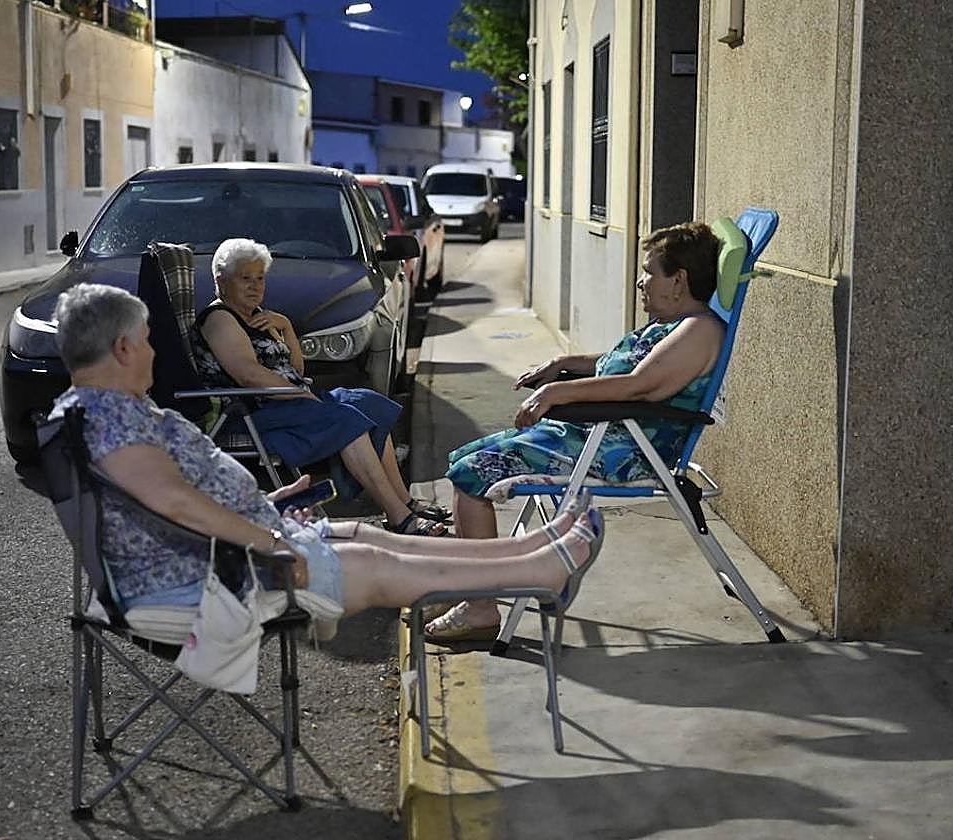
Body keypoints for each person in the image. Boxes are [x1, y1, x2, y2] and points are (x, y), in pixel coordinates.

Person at [47, 282, 604, 624]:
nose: (151, 354)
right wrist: (265, 537)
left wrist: (266, 501)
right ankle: (536, 571)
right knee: (376, 563)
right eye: (146, 342)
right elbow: (177, 504)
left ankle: (531, 553)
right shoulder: (107, 420)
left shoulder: (107, 411)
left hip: (223, 553)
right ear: (122, 347)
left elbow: (169, 499)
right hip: (203, 582)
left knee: (371, 537)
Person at [426, 221, 724, 641]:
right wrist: (562, 363)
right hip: (594, 434)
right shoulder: (670, 325)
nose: (641, 282)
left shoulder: (699, 330)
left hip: (621, 450)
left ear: (679, 280)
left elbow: (640, 384)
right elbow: (618, 363)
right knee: (464, 460)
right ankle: (475, 584)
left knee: (474, 474)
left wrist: (557, 392)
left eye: (649, 272)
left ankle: (481, 607)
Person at [191, 238, 448, 537]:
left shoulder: (258, 316)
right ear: (221, 281)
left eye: (260, 278)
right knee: (347, 421)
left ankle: (405, 500)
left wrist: (285, 326)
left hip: (289, 403)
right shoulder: (220, 319)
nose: (255, 286)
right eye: (245, 278)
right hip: (253, 413)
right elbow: (248, 376)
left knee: (370, 404)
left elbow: (296, 369)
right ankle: (398, 515)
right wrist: (300, 393)